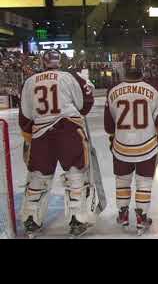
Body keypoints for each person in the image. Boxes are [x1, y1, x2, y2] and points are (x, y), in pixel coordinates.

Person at [19, 49, 95, 237]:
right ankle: (77, 219)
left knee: (37, 176)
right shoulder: (71, 77)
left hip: (41, 134)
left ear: (43, 61)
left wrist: (31, 138)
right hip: (68, 129)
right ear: (59, 61)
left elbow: (26, 116)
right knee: (75, 174)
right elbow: (85, 102)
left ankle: (31, 219)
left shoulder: (29, 81)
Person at [104, 54, 158, 235]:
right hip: (146, 145)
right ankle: (141, 218)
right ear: (142, 69)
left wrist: (112, 138)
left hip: (122, 145)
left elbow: (109, 124)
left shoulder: (113, 90)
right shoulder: (153, 89)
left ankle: (123, 214)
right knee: (144, 183)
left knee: (122, 182)